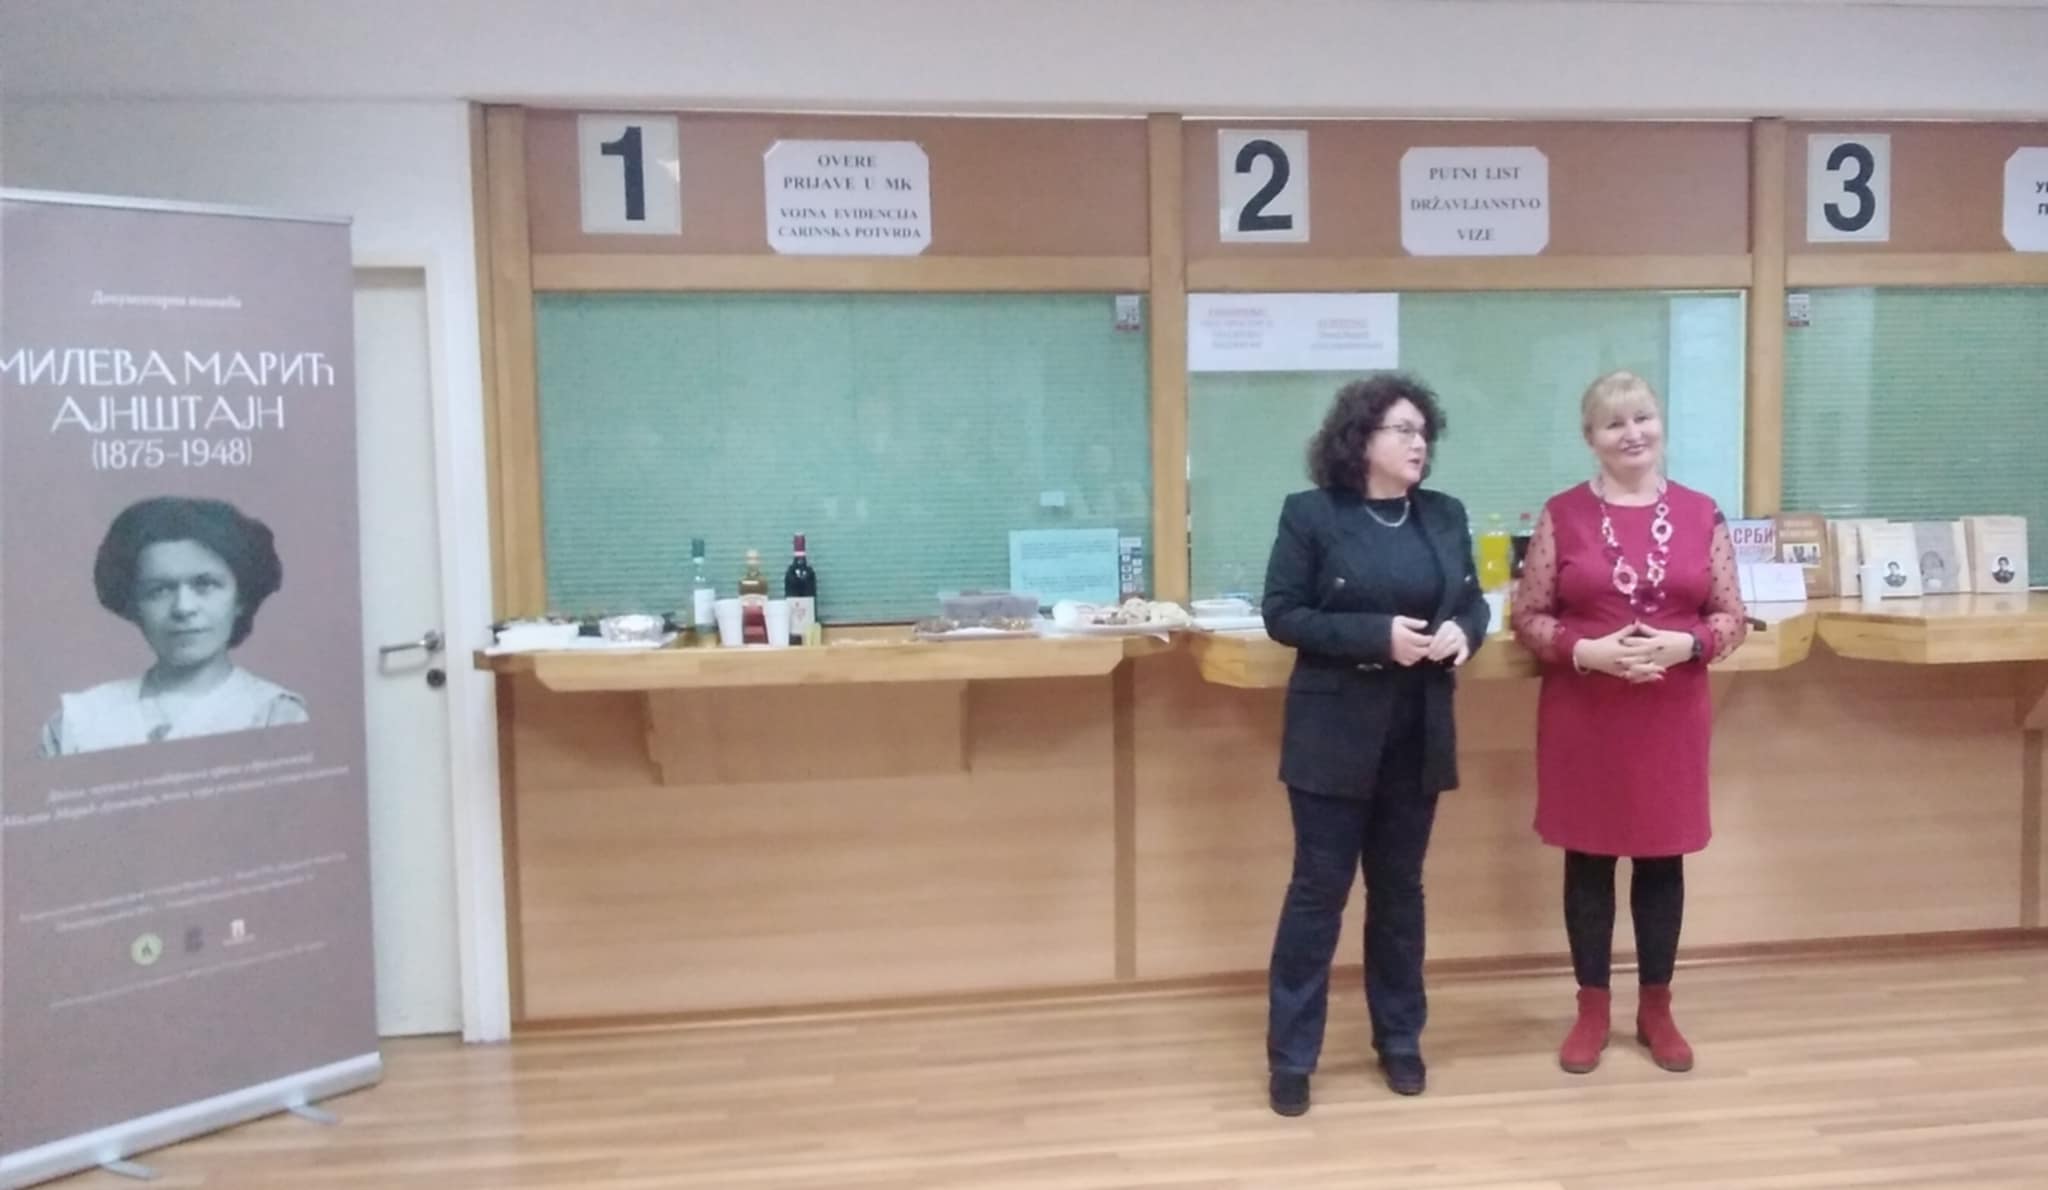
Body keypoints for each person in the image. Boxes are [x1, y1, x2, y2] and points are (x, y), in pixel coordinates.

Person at [1260, 373, 1491, 1114]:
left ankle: (1399, 1040)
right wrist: (1376, 637)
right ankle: (1292, 1057)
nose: (1419, 443)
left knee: (1400, 893)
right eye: (1403, 430)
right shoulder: (1311, 515)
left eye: (1424, 431)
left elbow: (1473, 601)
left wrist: (1465, 633)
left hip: (1417, 730)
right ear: (1361, 439)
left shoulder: (1444, 514)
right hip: (1333, 733)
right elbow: (1282, 614)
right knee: (1318, 894)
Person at [1510, 371, 1748, 1076]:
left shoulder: (1703, 513)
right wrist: (1584, 651)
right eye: (1614, 423)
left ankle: (1656, 1009)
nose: (1632, 433)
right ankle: (1591, 1010)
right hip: (1586, 710)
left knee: (1661, 857)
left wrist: (1688, 645)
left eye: (1642, 417)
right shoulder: (1562, 514)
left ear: (1661, 424)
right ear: (1591, 439)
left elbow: (1732, 616)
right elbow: (1528, 615)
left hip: (1670, 711)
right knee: (1587, 858)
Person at [40, 495, 307, 757]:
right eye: (159, 590)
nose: (183, 608)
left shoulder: (275, 715)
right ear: (134, 605)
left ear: (241, 598)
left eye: (205, 584)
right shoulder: (77, 723)